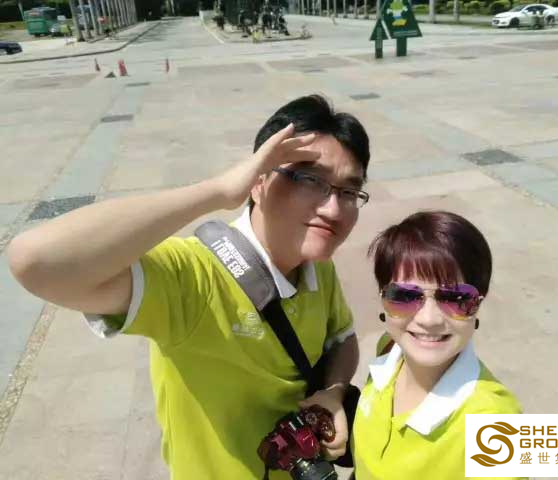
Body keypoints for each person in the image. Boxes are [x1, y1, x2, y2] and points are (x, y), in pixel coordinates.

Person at [8, 95, 371, 479]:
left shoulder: (315, 265)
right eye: (310, 179)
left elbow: (342, 338)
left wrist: (333, 391)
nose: (334, 210)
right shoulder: (194, 275)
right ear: (258, 181)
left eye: (348, 192)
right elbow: (34, 260)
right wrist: (219, 191)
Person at [351, 211, 522, 479]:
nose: (428, 320)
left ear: (478, 303)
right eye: (404, 295)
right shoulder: (390, 351)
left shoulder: (494, 422)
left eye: (455, 298)